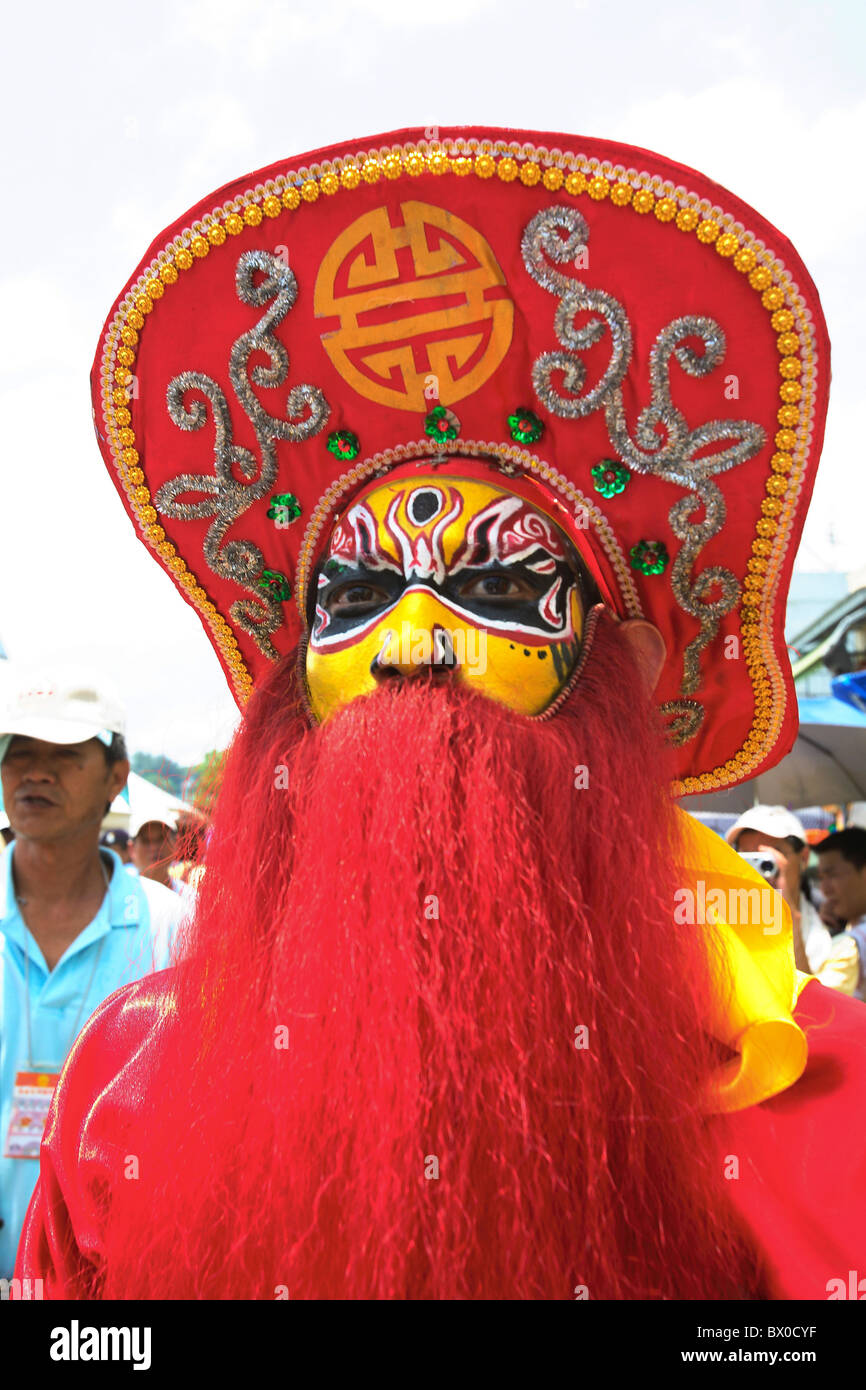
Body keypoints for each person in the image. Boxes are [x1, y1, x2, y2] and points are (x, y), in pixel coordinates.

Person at [17, 126, 865, 1300]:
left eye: (498, 587)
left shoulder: (820, 1092)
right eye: (355, 596)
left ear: (616, 666)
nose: (410, 642)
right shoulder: (135, 1065)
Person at [0, 667, 185, 1278]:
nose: (34, 772)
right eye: (17, 753)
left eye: (63, 756)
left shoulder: (169, 929)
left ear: (115, 778)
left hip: (112, 1290)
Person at [725, 806, 833, 975]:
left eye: (769, 861)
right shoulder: (717, 915)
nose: (759, 871)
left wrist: (787, 915)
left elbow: (804, 996)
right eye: (750, 858)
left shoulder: (818, 936)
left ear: (803, 858)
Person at [812, 828, 866, 1002]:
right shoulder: (849, 935)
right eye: (821, 878)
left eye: (832, 875)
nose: (825, 889)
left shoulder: (852, 945)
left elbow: (813, 1005)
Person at [128, 814, 177, 889]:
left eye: (162, 839)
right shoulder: (116, 896)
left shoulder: (190, 896)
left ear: (176, 843)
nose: (154, 848)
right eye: (146, 840)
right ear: (131, 849)